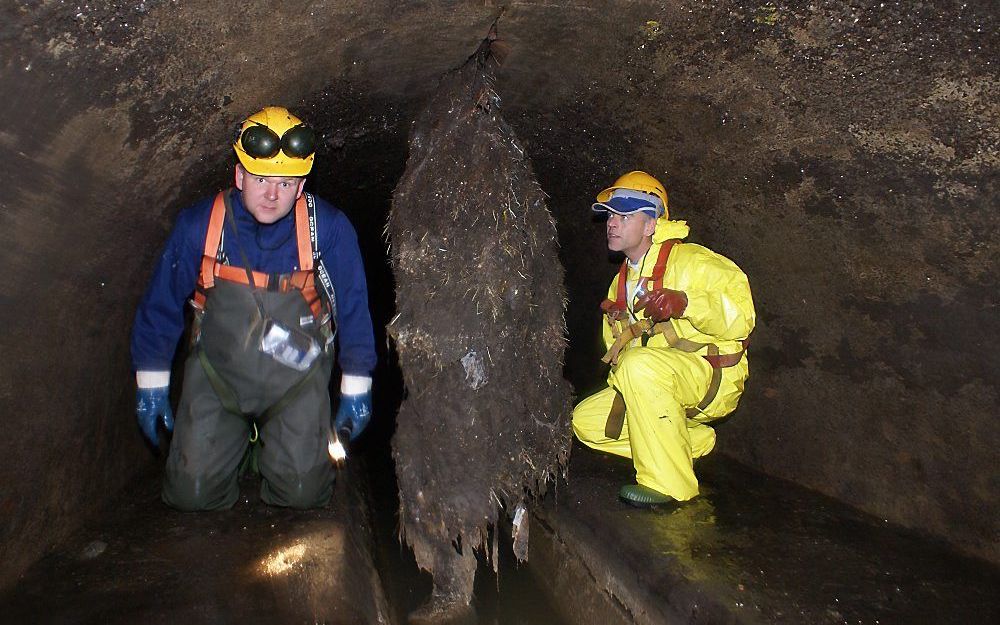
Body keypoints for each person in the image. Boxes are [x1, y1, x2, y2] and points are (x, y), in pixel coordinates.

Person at [130, 106, 376, 511]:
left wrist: (357, 384)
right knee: (191, 494)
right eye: (260, 179)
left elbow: (353, 307)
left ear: (301, 187)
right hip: (218, 374)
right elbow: (161, 302)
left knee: (303, 493)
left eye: (284, 182)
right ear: (239, 176)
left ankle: (273, 453)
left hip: (294, 381)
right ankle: (235, 449)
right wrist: (151, 381)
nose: (272, 194)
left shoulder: (327, 229)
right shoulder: (200, 225)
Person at [571, 171, 755, 506]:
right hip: (657, 380)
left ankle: (669, 486)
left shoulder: (693, 262)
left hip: (712, 376)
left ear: (651, 224)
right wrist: (617, 324)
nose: (612, 223)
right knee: (586, 423)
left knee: (640, 367)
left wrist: (686, 303)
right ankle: (688, 441)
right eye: (611, 215)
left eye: (625, 215)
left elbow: (742, 318)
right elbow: (621, 356)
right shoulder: (620, 284)